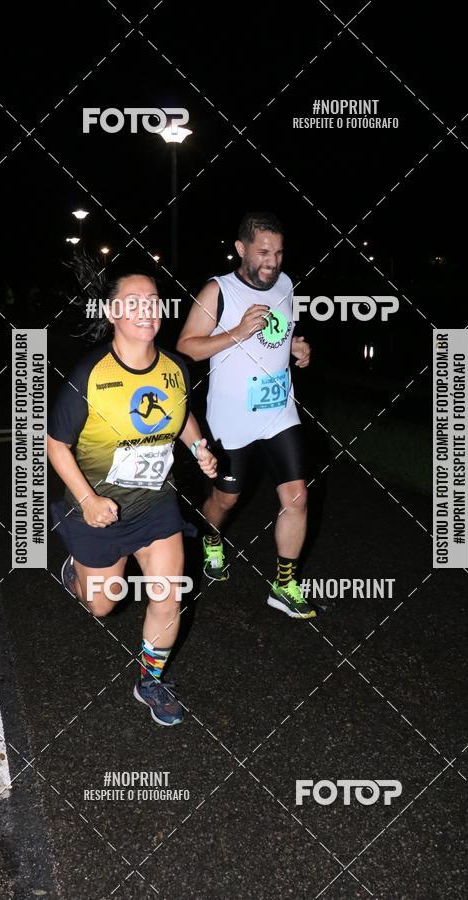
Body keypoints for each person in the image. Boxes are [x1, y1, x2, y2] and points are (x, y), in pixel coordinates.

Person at [48, 272, 217, 726]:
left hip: (154, 504)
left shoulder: (176, 367)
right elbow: (55, 443)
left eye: (154, 301)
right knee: (103, 604)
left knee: (168, 594)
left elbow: (179, 417)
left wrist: (200, 449)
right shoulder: (90, 376)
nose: (146, 309)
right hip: (97, 509)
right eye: (134, 301)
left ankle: (149, 680)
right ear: (111, 313)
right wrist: (85, 500)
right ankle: (76, 573)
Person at [177, 212, 316, 619]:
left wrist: (297, 348)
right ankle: (211, 537)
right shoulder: (217, 291)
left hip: (278, 410)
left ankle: (284, 585)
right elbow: (186, 348)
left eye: (278, 252)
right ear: (241, 249)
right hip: (231, 420)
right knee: (226, 498)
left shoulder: (286, 285)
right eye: (263, 252)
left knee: (297, 496)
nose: (273, 261)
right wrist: (235, 332)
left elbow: (280, 334)